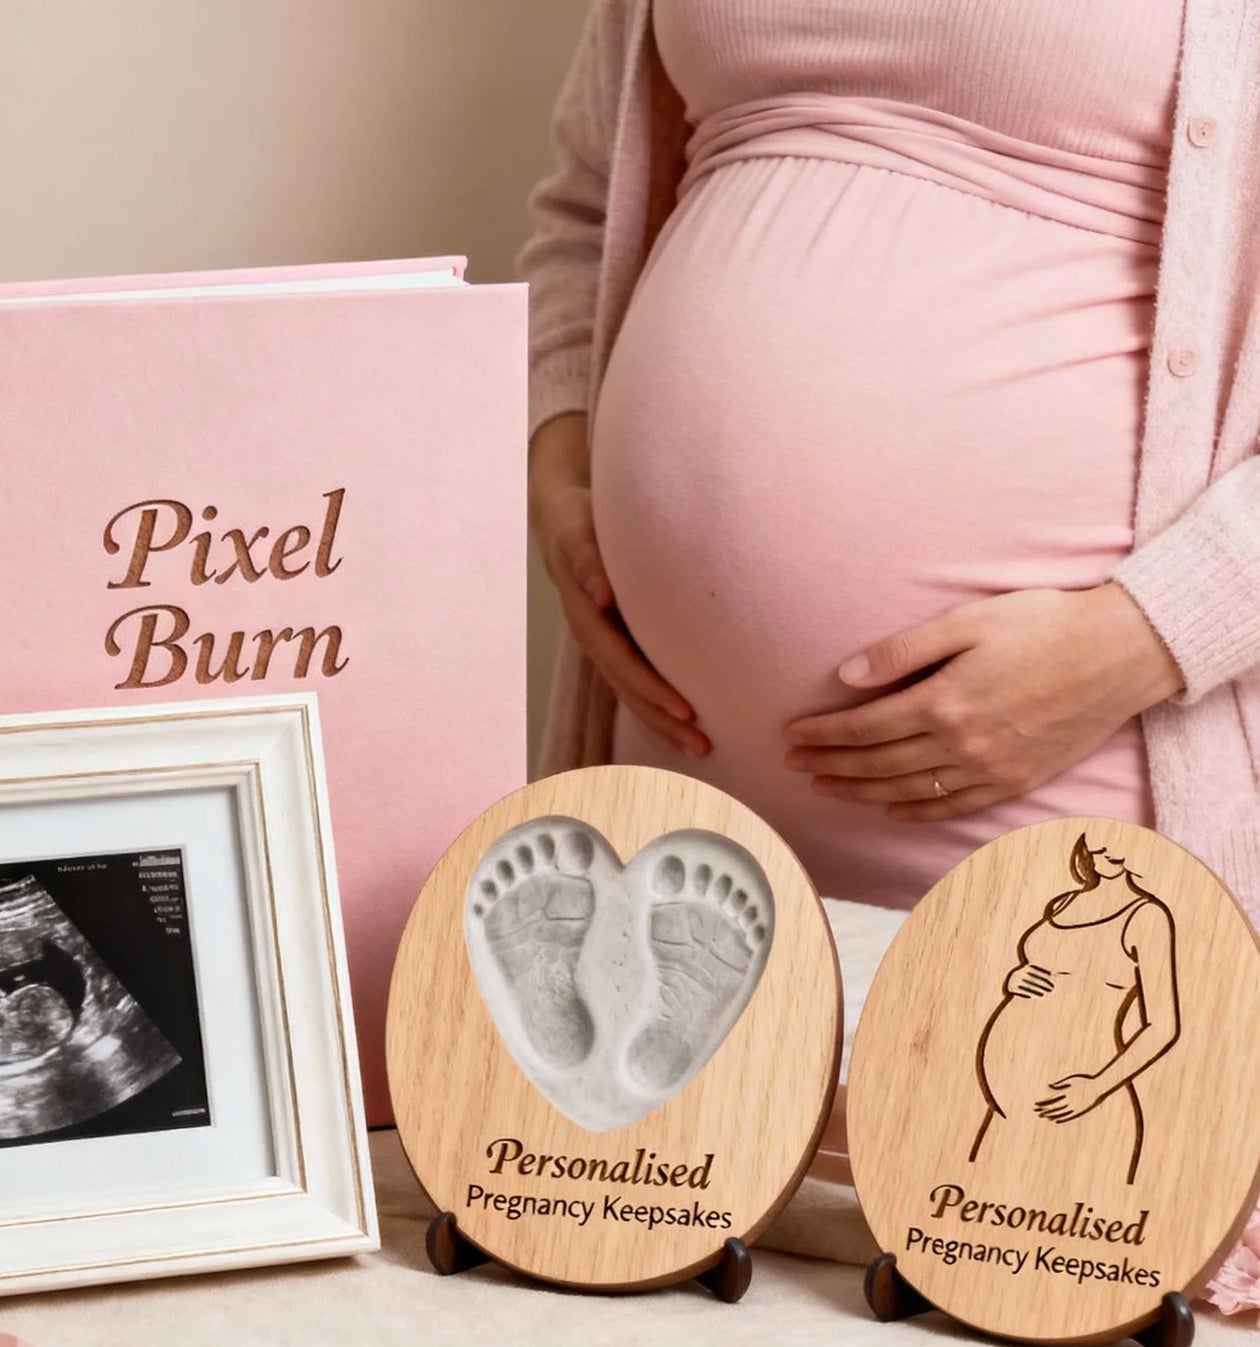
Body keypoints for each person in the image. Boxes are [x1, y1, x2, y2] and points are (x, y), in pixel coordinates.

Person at [519, 0, 1260, 922]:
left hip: (1075, 791)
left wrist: (1146, 638)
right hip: (677, 792)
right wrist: (557, 476)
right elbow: (590, 210)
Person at [971, 835, 1179, 1187]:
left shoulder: (1147, 916)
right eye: (1098, 843)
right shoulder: (1062, 902)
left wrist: (1096, 1088)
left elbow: (1162, 1025)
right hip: (1008, 1102)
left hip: (1074, 1100)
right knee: (980, 1199)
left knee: (1079, 1198)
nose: (1106, 849)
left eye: (1115, 844)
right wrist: (1012, 978)